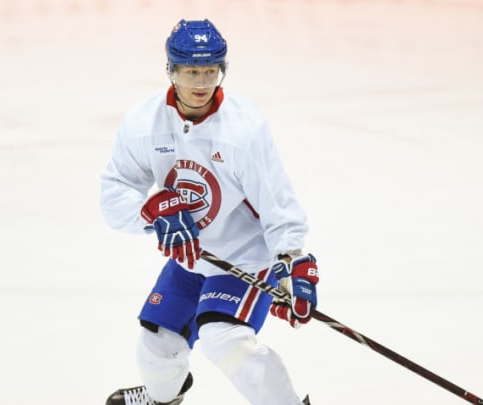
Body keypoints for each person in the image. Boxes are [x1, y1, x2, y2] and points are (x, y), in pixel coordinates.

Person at [100, 19, 319, 405]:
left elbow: (278, 205)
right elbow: (114, 197)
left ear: (222, 70)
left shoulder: (243, 128)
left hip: (245, 260)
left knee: (225, 340)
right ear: (171, 70)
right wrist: (153, 213)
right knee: (156, 347)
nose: (201, 83)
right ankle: (163, 398)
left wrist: (292, 260)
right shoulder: (143, 123)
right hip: (191, 261)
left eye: (210, 71)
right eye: (190, 72)